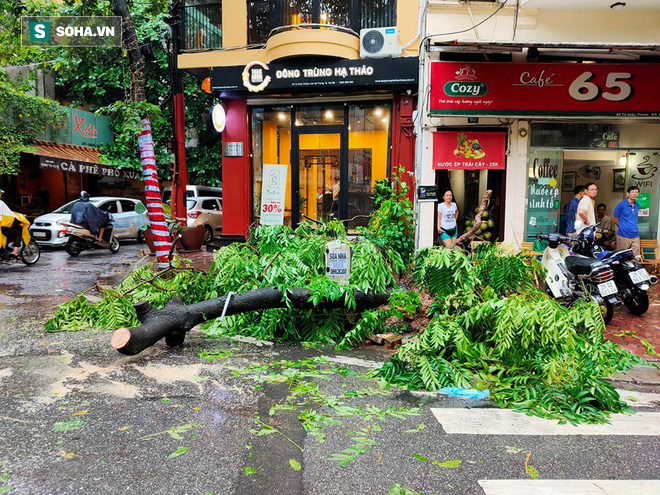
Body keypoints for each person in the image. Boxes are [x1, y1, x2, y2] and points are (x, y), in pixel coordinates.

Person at [613, 185, 641, 258]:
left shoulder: (637, 205)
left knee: (636, 257)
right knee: (621, 257)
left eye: (636, 192)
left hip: (635, 235)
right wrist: (623, 227)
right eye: (632, 192)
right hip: (623, 235)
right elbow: (615, 219)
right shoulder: (621, 205)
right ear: (628, 193)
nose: (635, 194)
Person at [0, 188, 21, 257]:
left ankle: (5, 249)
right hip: (1, 227)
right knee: (17, 233)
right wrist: (18, 218)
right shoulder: (1, 203)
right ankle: (15, 252)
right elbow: (9, 214)